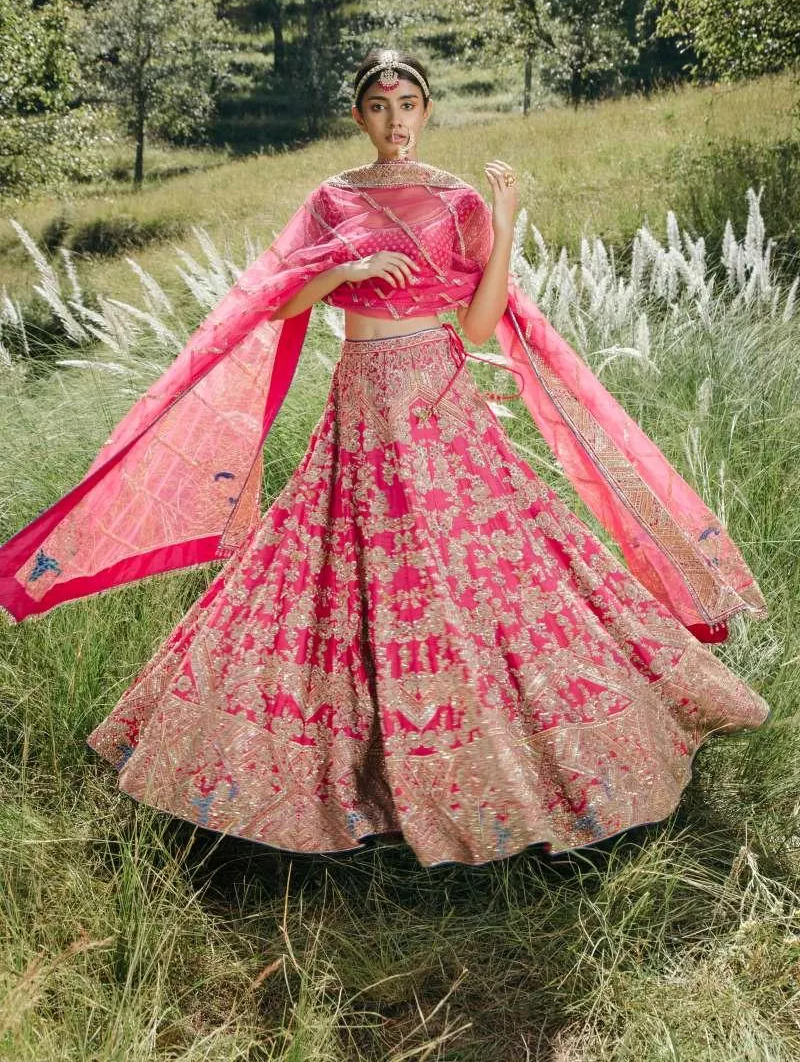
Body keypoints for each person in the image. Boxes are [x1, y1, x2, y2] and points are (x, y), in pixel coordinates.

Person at [0, 49, 770, 868]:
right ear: (359, 115)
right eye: (378, 104)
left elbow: (478, 330)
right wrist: (349, 263)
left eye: (408, 103)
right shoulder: (331, 199)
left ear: (428, 109)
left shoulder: (460, 200)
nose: (395, 119)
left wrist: (505, 226)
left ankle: (517, 760)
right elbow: (281, 300)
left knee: (483, 565)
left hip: (439, 402)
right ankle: (334, 770)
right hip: (361, 399)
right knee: (331, 566)